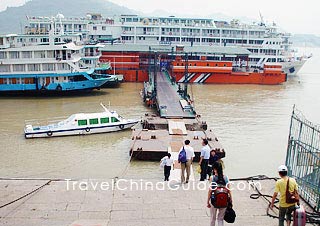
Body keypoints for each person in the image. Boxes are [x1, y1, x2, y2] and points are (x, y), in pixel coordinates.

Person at [207, 162, 232, 226]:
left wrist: (207, 201)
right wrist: (231, 200)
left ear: (214, 169)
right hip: (224, 200)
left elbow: (210, 191)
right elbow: (229, 190)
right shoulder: (226, 177)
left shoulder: (212, 178)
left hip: (214, 200)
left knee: (213, 218)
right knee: (220, 219)